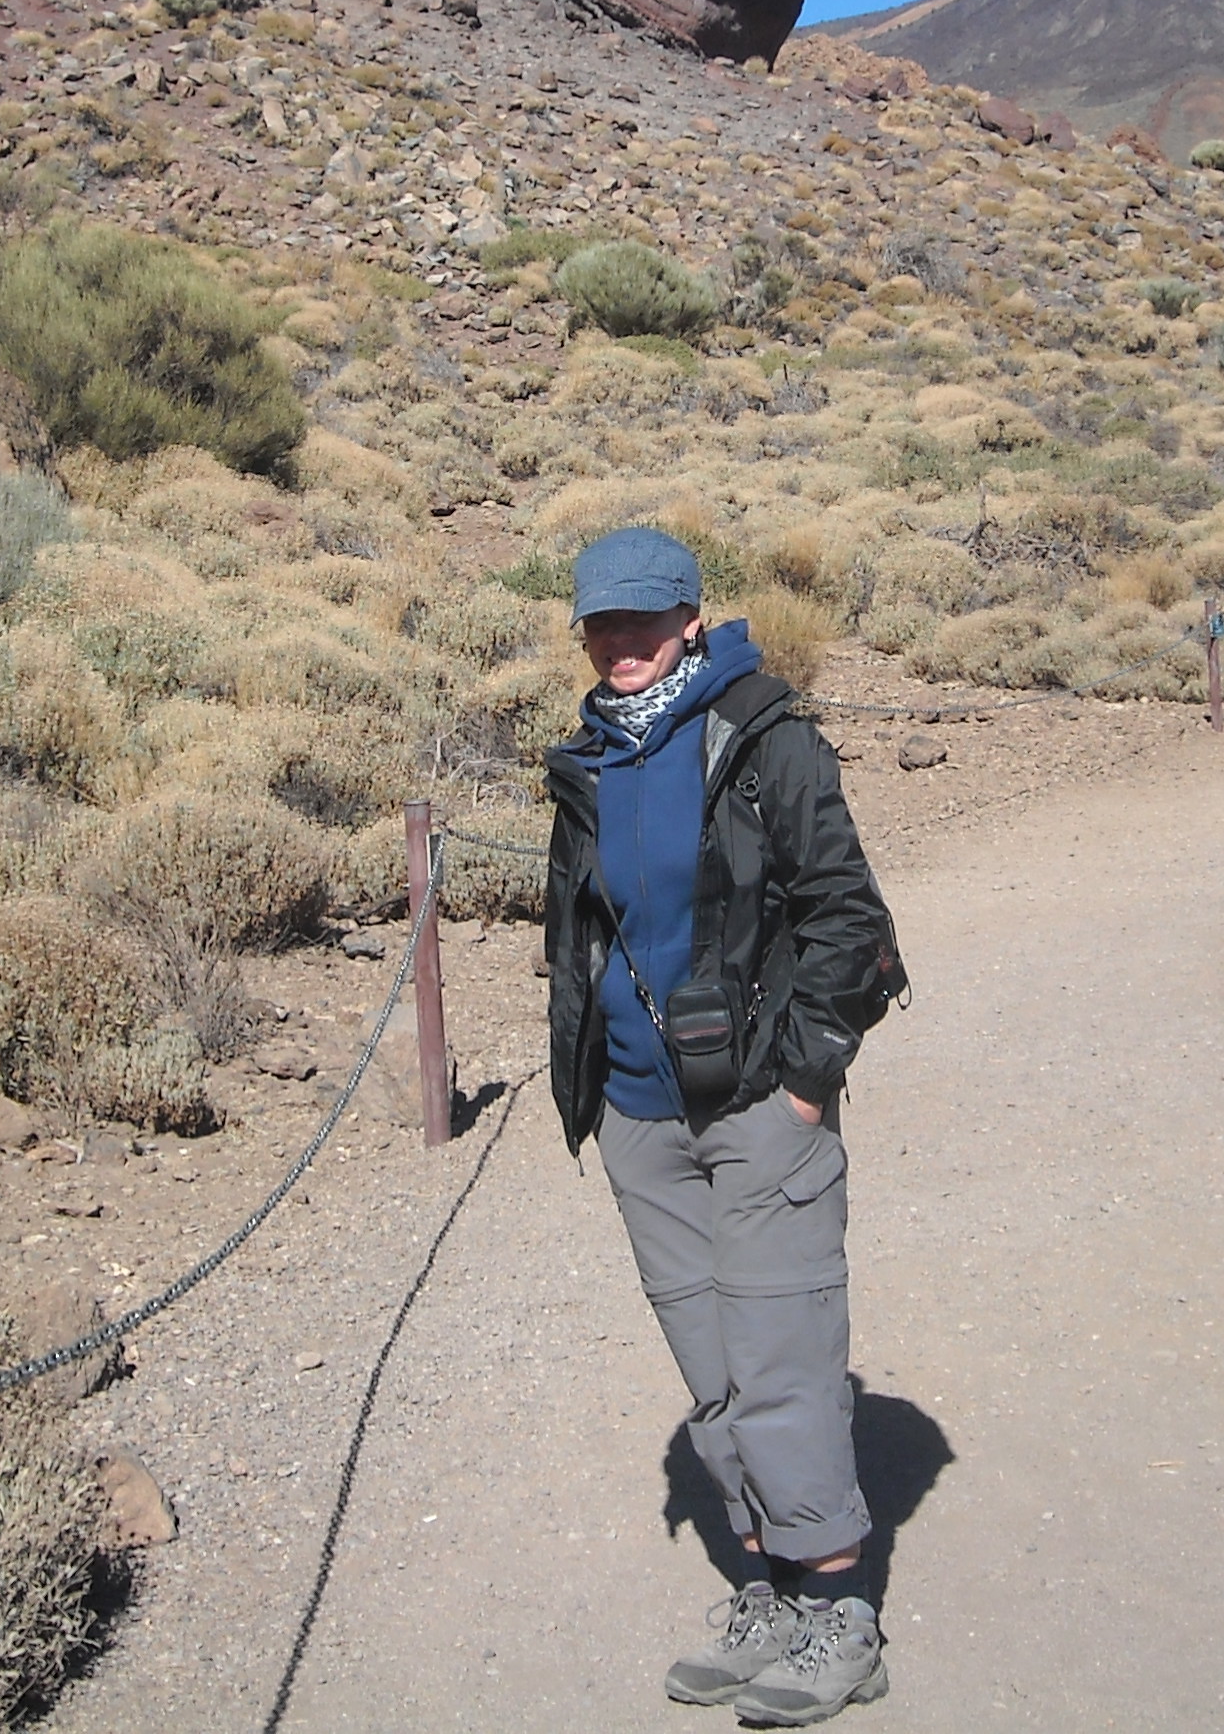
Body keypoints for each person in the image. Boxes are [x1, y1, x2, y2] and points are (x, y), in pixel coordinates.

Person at [543, 525, 905, 1726]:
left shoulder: (762, 733)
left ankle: (838, 1610)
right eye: (602, 622)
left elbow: (848, 916)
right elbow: (582, 930)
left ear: (692, 617)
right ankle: (768, 1593)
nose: (622, 642)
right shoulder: (589, 758)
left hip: (759, 1106)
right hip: (640, 1118)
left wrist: (806, 1080)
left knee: (780, 1358)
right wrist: (591, 1091)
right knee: (711, 1371)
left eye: (644, 619)